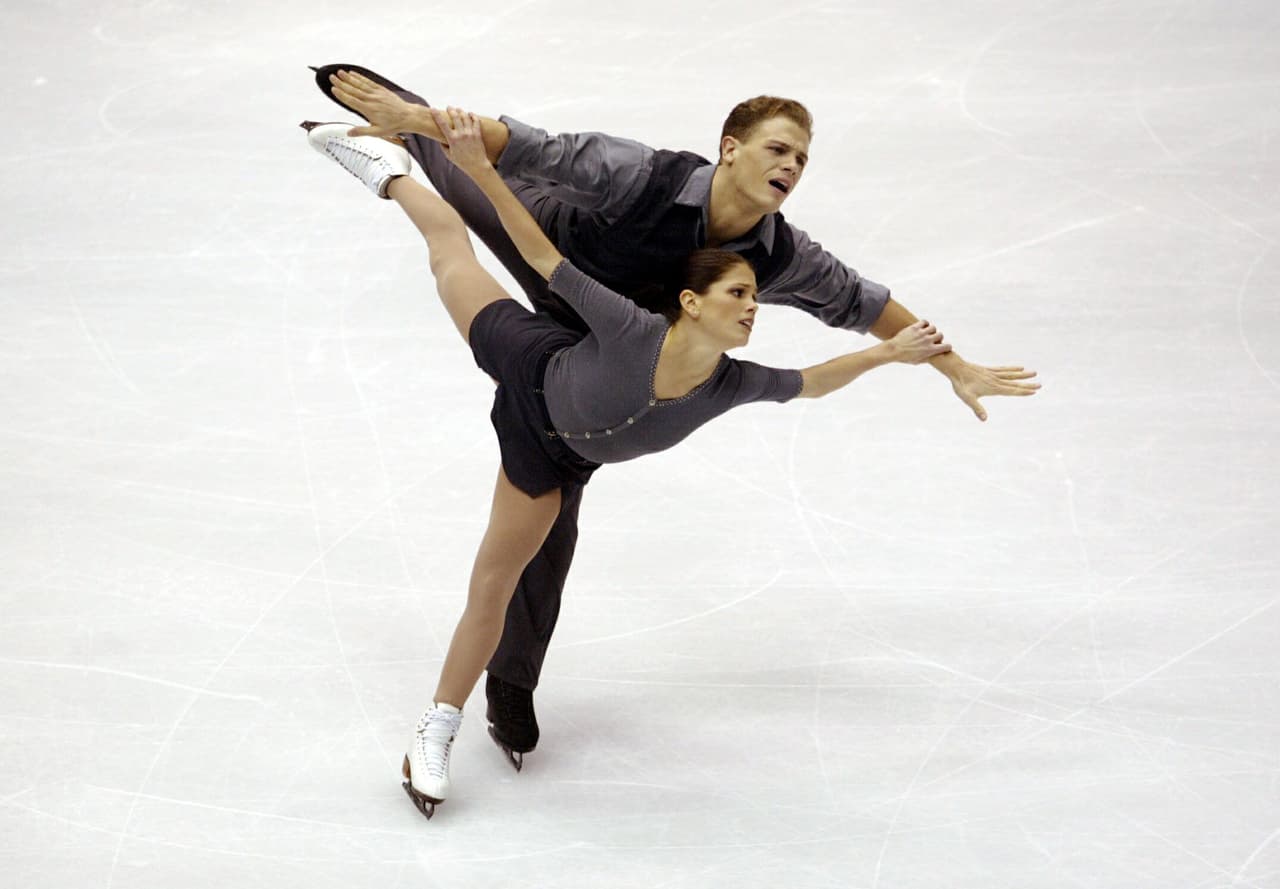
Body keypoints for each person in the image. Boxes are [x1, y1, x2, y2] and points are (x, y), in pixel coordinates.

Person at [308, 64, 1040, 771]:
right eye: (777, 148)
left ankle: (511, 682)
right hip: (557, 254)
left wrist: (951, 364)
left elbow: (862, 303)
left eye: (801, 159)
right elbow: (532, 147)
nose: (790, 165)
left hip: (605, 351)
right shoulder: (643, 175)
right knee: (468, 180)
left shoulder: (779, 255)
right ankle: (395, 133)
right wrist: (417, 120)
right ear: (731, 149)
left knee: (555, 524)